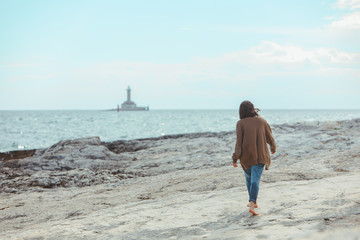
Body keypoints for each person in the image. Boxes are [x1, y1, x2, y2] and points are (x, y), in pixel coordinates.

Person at [232, 100, 276, 216]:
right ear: (252, 109)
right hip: (260, 156)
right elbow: (269, 136)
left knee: (249, 180)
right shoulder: (262, 121)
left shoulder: (240, 123)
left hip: (246, 157)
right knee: (254, 180)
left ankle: (252, 201)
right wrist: (273, 147)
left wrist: (235, 158)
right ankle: (252, 203)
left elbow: (238, 143)